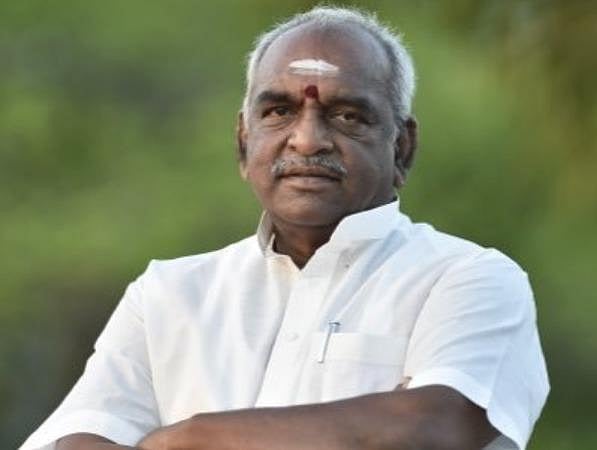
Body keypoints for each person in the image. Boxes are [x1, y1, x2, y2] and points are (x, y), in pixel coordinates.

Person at [21, 6, 549, 450]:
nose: (307, 139)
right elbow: (79, 439)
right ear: (243, 141)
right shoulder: (169, 294)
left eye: (347, 116)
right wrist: (365, 427)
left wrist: (187, 437)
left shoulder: (467, 278)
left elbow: (434, 427)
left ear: (402, 148)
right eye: (278, 111)